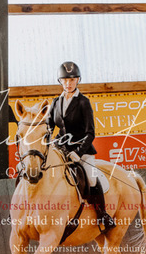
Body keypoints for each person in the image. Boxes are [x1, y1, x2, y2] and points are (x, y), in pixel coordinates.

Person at [46, 61, 116, 233]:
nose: (68, 83)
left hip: (81, 151)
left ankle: (102, 214)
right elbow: (49, 127)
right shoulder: (55, 102)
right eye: (65, 80)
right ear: (60, 81)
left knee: (91, 178)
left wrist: (78, 152)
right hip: (60, 149)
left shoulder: (84, 102)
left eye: (72, 80)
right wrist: (47, 143)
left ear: (78, 80)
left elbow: (90, 133)